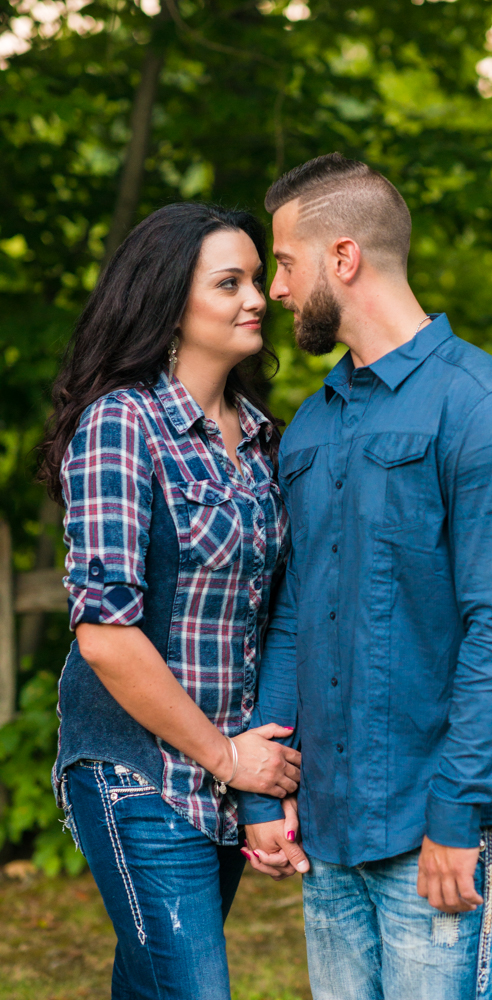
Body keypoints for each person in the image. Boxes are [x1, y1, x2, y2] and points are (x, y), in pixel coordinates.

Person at [238, 154, 492, 1000]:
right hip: (332, 832)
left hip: (437, 828)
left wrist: (456, 814)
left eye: (282, 261)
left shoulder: (491, 411)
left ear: (342, 258)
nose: (274, 289)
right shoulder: (311, 425)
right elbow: (292, 614)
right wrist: (267, 795)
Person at [40, 203, 302, 1000]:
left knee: (152, 984)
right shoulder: (122, 424)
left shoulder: (262, 439)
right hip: (139, 772)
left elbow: (273, 615)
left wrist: (248, 775)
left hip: (224, 779)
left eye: (257, 278)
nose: (256, 297)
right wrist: (226, 759)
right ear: (167, 303)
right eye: (230, 283)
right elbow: (106, 637)